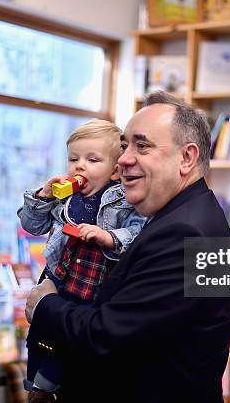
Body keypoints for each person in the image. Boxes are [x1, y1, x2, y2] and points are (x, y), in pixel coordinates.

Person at [25, 91, 230, 402]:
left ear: (187, 158)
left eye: (143, 146)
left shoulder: (184, 232)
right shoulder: (194, 214)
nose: (123, 159)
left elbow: (109, 335)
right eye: (124, 146)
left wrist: (45, 305)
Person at [17, 119, 146, 401]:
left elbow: (138, 232)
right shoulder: (68, 197)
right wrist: (43, 197)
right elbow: (31, 225)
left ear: (115, 170)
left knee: (68, 345)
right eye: (74, 158)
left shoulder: (124, 200)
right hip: (61, 278)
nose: (79, 166)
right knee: (41, 336)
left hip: (94, 287)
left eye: (92, 159)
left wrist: (108, 236)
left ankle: (46, 387)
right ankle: (35, 385)